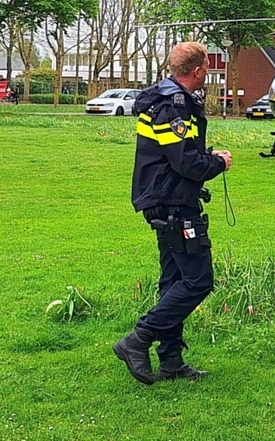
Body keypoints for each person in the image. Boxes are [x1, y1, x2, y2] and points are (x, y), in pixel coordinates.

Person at [113, 41, 232, 384]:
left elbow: (175, 152)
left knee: (173, 282)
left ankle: (171, 361)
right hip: (173, 203)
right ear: (198, 70)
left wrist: (206, 155)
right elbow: (185, 163)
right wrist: (218, 163)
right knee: (197, 281)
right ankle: (137, 339)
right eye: (206, 68)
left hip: (166, 201)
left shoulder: (166, 100)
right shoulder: (173, 106)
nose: (207, 73)